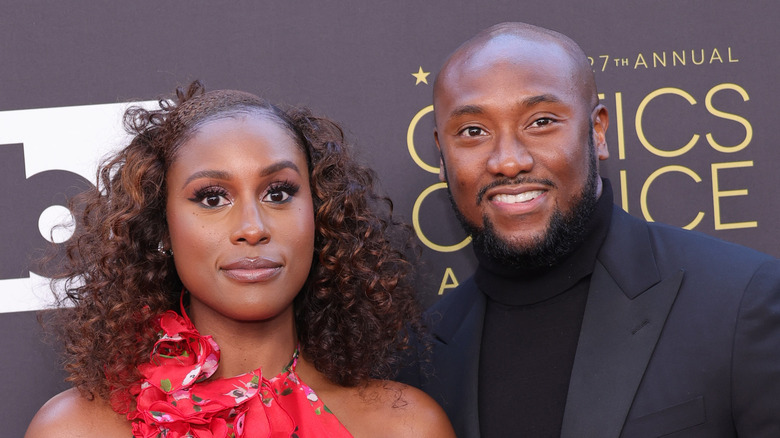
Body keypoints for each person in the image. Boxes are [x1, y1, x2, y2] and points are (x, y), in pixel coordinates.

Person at [399, 22, 780, 437]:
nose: (508, 161)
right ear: (442, 155)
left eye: (541, 121)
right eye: (473, 131)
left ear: (597, 131)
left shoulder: (742, 301)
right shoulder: (416, 358)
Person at [25, 81, 455, 438]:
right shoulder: (76, 429)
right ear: (160, 226)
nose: (252, 227)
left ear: (320, 217)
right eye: (212, 198)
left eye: (279, 193)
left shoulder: (406, 427)